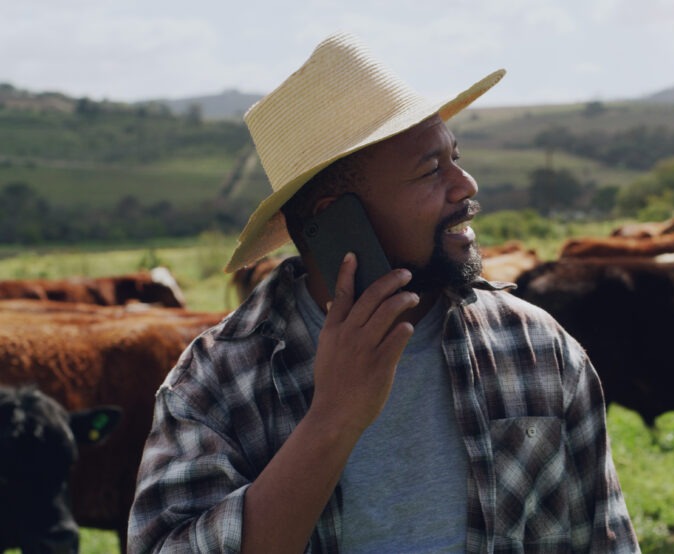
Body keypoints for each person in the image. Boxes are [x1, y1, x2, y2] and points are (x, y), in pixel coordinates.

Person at [128, 31, 638, 553]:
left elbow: (605, 540)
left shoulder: (535, 347)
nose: (466, 186)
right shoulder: (217, 382)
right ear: (336, 219)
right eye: (430, 170)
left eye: (455, 158)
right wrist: (333, 419)